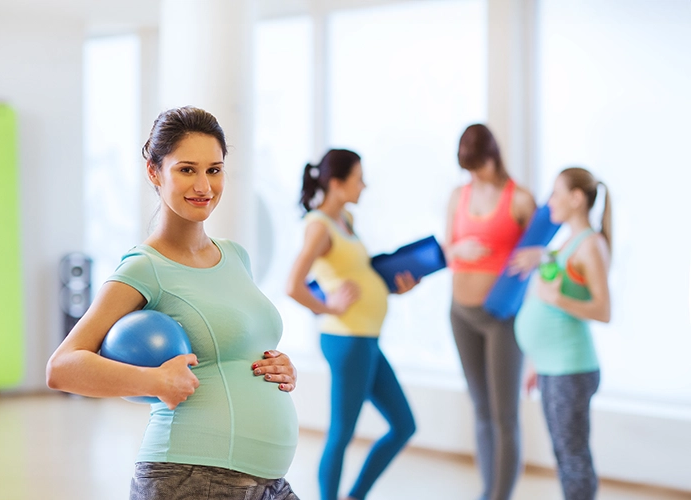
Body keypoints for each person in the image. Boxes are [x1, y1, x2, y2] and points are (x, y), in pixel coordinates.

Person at [46, 106, 300, 500]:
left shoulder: (236, 256)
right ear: (154, 172)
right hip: (192, 477)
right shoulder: (145, 267)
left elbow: (233, 345)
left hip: (268, 482)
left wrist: (278, 365)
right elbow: (62, 367)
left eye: (214, 170)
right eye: (186, 169)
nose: (203, 185)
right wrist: (154, 381)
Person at [285, 149, 417, 500]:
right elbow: (292, 285)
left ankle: (354, 496)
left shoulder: (345, 220)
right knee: (342, 433)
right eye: (359, 178)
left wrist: (392, 286)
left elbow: (358, 274)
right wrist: (327, 307)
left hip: (366, 338)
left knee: (404, 425)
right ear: (337, 183)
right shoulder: (319, 227)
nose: (364, 185)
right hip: (347, 339)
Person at [444, 124, 537, 500]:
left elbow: (535, 260)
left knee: (504, 415)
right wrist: (458, 250)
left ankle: (500, 496)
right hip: (460, 313)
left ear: (492, 157)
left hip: (502, 318)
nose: (473, 175)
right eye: (467, 168)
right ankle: (488, 491)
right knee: (480, 408)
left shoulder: (520, 199)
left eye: (477, 166)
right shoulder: (457, 195)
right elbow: (446, 250)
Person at [512, 167, 612, 500]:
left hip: (572, 367)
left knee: (573, 457)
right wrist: (536, 362)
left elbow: (603, 310)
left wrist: (558, 298)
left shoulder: (591, 245)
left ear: (576, 198)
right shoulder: (568, 242)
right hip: (553, 366)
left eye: (555, 193)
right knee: (563, 453)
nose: (549, 201)